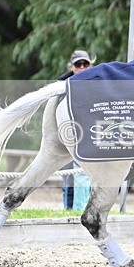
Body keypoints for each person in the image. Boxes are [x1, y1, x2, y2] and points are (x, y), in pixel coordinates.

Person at [57, 50, 95, 209]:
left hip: (86, 135)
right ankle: (67, 211)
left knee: (82, 176)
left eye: (85, 64)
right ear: (71, 66)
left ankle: (80, 210)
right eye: (78, 64)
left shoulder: (96, 83)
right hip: (65, 136)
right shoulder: (60, 86)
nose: (82, 67)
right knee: (68, 178)